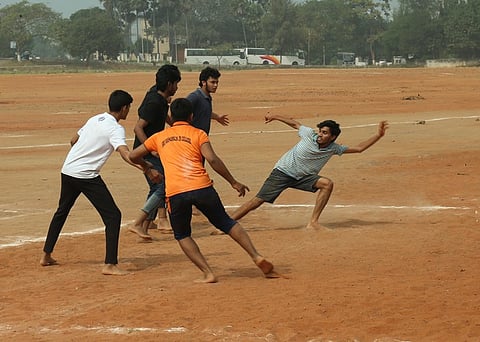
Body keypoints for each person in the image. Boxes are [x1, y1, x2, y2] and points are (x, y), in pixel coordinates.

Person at [129, 98, 277, 283]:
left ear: (171, 117)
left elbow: (133, 155)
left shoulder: (159, 137)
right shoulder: (198, 133)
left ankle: (208, 272)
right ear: (191, 116)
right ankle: (256, 256)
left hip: (176, 192)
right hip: (202, 187)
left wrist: (147, 168)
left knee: (182, 235)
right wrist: (233, 182)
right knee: (227, 223)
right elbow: (213, 160)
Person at [39, 90, 160, 275]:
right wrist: (146, 168)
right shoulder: (115, 128)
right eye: (129, 108)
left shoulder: (95, 119)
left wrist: (83, 154)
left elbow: (73, 140)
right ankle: (110, 264)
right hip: (86, 176)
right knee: (113, 216)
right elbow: (126, 154)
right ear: (124, 108)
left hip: (68, 170)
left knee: (61, 211)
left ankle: (46, 255)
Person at [231, 115, 389, 229]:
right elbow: (294, 124)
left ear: (333, 137)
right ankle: (227, 224)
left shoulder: (334, 148)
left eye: (325, 133)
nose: (320, 134)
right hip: (282, 172)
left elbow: (359, 148)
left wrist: (378, 135)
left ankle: (313, 222)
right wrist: (275, 116)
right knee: (257, 201)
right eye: (320, 131)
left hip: (303, 177)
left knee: (327, 184)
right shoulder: (309, 134)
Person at [129, 65, 181, 240]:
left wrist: (176, 125)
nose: (177, 87)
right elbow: (138, 128)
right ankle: (139, 223)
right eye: (175, 84)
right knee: (162, 186)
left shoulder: (159, 97)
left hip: (151, 151)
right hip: (147, 153)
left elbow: (163, 116)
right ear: (168, 84)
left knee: (156, 186)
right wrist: (151, 148)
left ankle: (144, 225)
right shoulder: (154, 102)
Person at [187, 66, 229, 135]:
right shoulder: (194, 97)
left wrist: (217, 117)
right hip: (193, 139)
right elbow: (181, 112)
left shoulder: (207, 97)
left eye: (217, 82)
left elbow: (204, 112)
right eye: (212, 82)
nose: (215, 85)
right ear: (203, 82)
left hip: (201, 138)